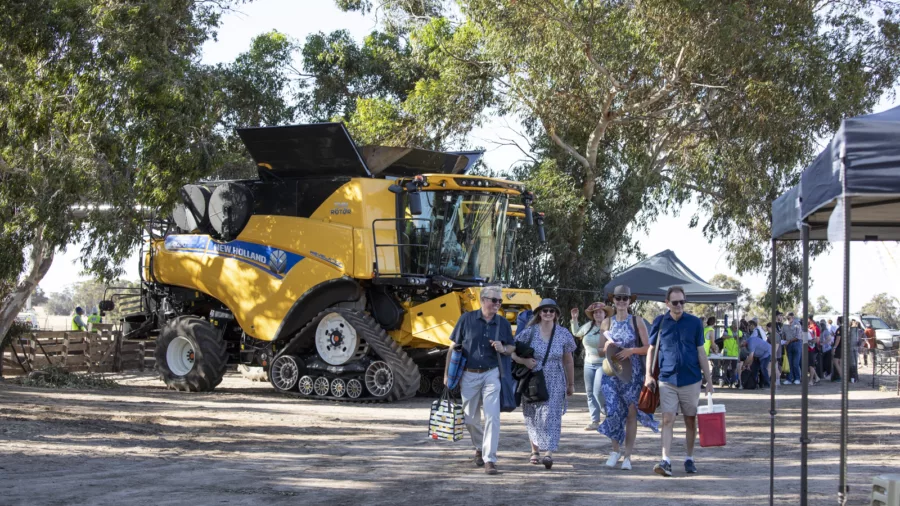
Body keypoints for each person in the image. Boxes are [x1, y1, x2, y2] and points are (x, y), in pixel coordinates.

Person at [443, 285, 515, 475]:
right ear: (483, 300)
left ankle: (489, 459)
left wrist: (503, 348)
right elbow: (453, 347)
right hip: (468, 374)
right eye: (494, 300)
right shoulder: (466, 319)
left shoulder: (503, 323)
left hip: (492, 373)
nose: (497, 304)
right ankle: (479, 446)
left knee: (492, 416)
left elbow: (511, 349)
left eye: (500, 301)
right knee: (469, 419)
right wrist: (446, 374)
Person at [646, 286, 714, 477]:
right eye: (675, 302)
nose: (679, 306)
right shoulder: (660, 322)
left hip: (691, 379)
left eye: (682, 302)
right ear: (667, 303)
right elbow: (651, 349)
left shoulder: (694, 323)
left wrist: (709, 381)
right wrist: (648, 375)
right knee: (668, 419)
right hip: (667, 379)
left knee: (690, 420)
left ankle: (689, 458)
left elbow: (701, 352)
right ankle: (665, 460)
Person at [597, 286, 658, 471]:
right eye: (618, 298)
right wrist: (607, 345)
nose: (621, 301)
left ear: (630, 301)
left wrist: (631, 350)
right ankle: (615, 450)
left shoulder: (637, 321)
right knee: (613, 411)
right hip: (612, 373)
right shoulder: (606, 322)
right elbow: (599, 351)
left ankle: (627, 456)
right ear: (613, 301)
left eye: (625, 298)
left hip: (632, 373)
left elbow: (649, 348)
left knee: (631, 413)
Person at [513, 298, 576, 470]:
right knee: (532, 413)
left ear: (556, 314)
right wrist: (523, 361)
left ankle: (548, 452)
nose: (548, 313)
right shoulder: (529, 332)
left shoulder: (563, 334)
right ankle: (535, 450)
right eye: (544, 310)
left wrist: (570, 384)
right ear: (539, 313)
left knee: (550, 414)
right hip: (533, 378)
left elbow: (569, 361)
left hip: (555, 377)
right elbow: (511, 350)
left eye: (551, 311)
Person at [570, 302, 611, 430]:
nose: (598, 314)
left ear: (605, 313)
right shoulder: (588, 327)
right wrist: (574, 319)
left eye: (600, 312)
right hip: (588, 363)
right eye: (595, 312)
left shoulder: (610, 327)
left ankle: (607, 411)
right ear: (593, 315)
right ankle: (594, 421)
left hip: (603, 363)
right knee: (589, 393)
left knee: (597, 391)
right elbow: (576, 332)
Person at [742, 321, 772, 389]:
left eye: (742, 345)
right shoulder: (748, 343)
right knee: (754, 368)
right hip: (759, 355)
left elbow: (750, 356)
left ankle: (767, 384)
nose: (742, 346)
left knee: (763, 367)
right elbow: (751, 357)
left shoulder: (750, 342)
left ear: (744, 341)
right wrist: (748, 365)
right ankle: (753, 384)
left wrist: (744, 365)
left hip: (767, 352)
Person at [783, 312, 802, 385]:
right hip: (788, 344)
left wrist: (789, 341)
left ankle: (797, 378)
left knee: (795, 363)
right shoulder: (785, 324)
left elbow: (798, 336)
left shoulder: (797, 324)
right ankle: (789, 379)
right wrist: (785, 341)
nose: (788, 318)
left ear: (792, 317)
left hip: (796, 343)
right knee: (789, 362)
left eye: (789, 317)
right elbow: (783, 334)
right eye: (787, 317)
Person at [720, 322, 742, 387]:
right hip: (727, 352)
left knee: (734, 368)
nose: (736, 328)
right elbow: (723, 337)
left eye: (737, 327)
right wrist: (731, 336)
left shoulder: (740, 332)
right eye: (735, 326)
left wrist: (737, 339)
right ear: (732, 325)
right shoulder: (727, 330)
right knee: (725, 367)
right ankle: (724, 380)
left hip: (735, 353)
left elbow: (740, 341)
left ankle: (733, 381)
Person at [806, 316, 821, 386]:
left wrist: (809, 341)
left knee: (811, 365)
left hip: (812, 349)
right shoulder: (809, 328)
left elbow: (817, 340)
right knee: (809, 365)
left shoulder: (815, 328)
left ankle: (811, 380)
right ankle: (817, 377)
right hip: (808, 349)